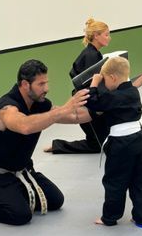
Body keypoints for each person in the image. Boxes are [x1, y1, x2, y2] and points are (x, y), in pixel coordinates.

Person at [0, 59, 90, 226]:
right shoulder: (6, 109)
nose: (46, 89)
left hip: (22, 171)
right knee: (21, 215)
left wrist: (105, 105)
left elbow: (74, 117)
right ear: (25, 84)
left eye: (46, 83)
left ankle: (8, 195)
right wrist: (64, 109)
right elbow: (24, 126)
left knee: (56, 201)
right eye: (41, 84)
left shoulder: (39, 104)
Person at [86, 56, 142, 226]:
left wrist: (94, 83)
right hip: (137, 140)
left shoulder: (113, 98)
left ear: (112, 77)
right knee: (139, 180)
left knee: (114, 181)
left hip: (121, 143)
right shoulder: (133, 92)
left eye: (105, 79)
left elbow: (93, 103)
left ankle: (110, 217)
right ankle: (141, 216)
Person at [45, 18, 111, 154]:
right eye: (106, 34)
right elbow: (91, 85)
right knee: (97, 145)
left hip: (89, 102)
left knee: (105, 140)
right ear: (96, 36)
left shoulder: (94, 54)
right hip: (87, 105)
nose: (109, 38)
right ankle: (57, 145)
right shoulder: (91, 56)